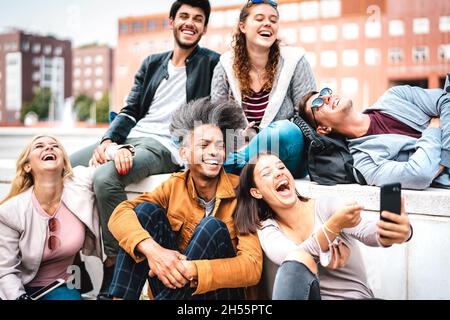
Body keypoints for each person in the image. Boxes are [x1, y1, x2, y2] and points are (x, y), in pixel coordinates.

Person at [69, 0, 220, 298]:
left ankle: (111, 260)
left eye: (198, 19)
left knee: (105, 178)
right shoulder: (152, 62)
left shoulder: (213, 64)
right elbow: (129, 111)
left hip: (165, 146)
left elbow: (219, 109)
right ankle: (72, 260)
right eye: (184, 16)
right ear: (171, 22)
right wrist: (109, 142)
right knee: (62, 167)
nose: (190, 23)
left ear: (204, 27)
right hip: (133, 138)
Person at [107, 98, 262, 300]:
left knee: (212, 227)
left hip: (220, 296)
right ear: (184, 153)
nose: (214, 152)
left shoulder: (240, 191)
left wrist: (193, 269)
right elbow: (119, 214)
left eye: (220, 145)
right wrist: (154, 251)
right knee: (146, 213)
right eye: (204, 145)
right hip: (176, 293)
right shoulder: (174, 186)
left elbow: (252, 267)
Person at [234, 153, 413, 300]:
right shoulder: (267, 228)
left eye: (281, 167)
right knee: (295, 262)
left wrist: (397, 232)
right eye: (267, 173)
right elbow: (295, 261)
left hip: (357, 298)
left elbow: (368, 232)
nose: (279, 173)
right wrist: (332, 228)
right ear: (256, 192)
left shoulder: (326, 206)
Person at [211, 0, 316, 177]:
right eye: (259, 18)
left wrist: (259, 137)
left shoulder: (295, 60)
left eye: (273, 20)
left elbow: (309, 115)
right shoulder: (224, 66)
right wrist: (239, 137)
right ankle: (238, 166)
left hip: (286, 156)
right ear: (243, 26)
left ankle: (230, 168)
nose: (267, 23)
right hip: (238, 146)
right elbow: (217, 117)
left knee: (285, 130)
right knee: (192, 137)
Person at [0, 135, 103, 300]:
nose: (48, 148)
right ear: (27, 166)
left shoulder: (79, 184)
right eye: (39, 146)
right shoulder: (10, 212)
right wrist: (19, 298)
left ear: (63, 163)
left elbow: (104, 162)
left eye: (55, 146)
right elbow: (6, 271)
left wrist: (120, 150)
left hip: (61, 286)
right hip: (17, 289)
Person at [299, 83, 450, 190]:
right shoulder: (364, 162)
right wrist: (434, 127)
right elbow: (420, 175)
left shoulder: (395, 96)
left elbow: (446, 100)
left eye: (326, 92)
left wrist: (442, 160)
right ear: (323, 129)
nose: (327, 97)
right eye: (318, 103)